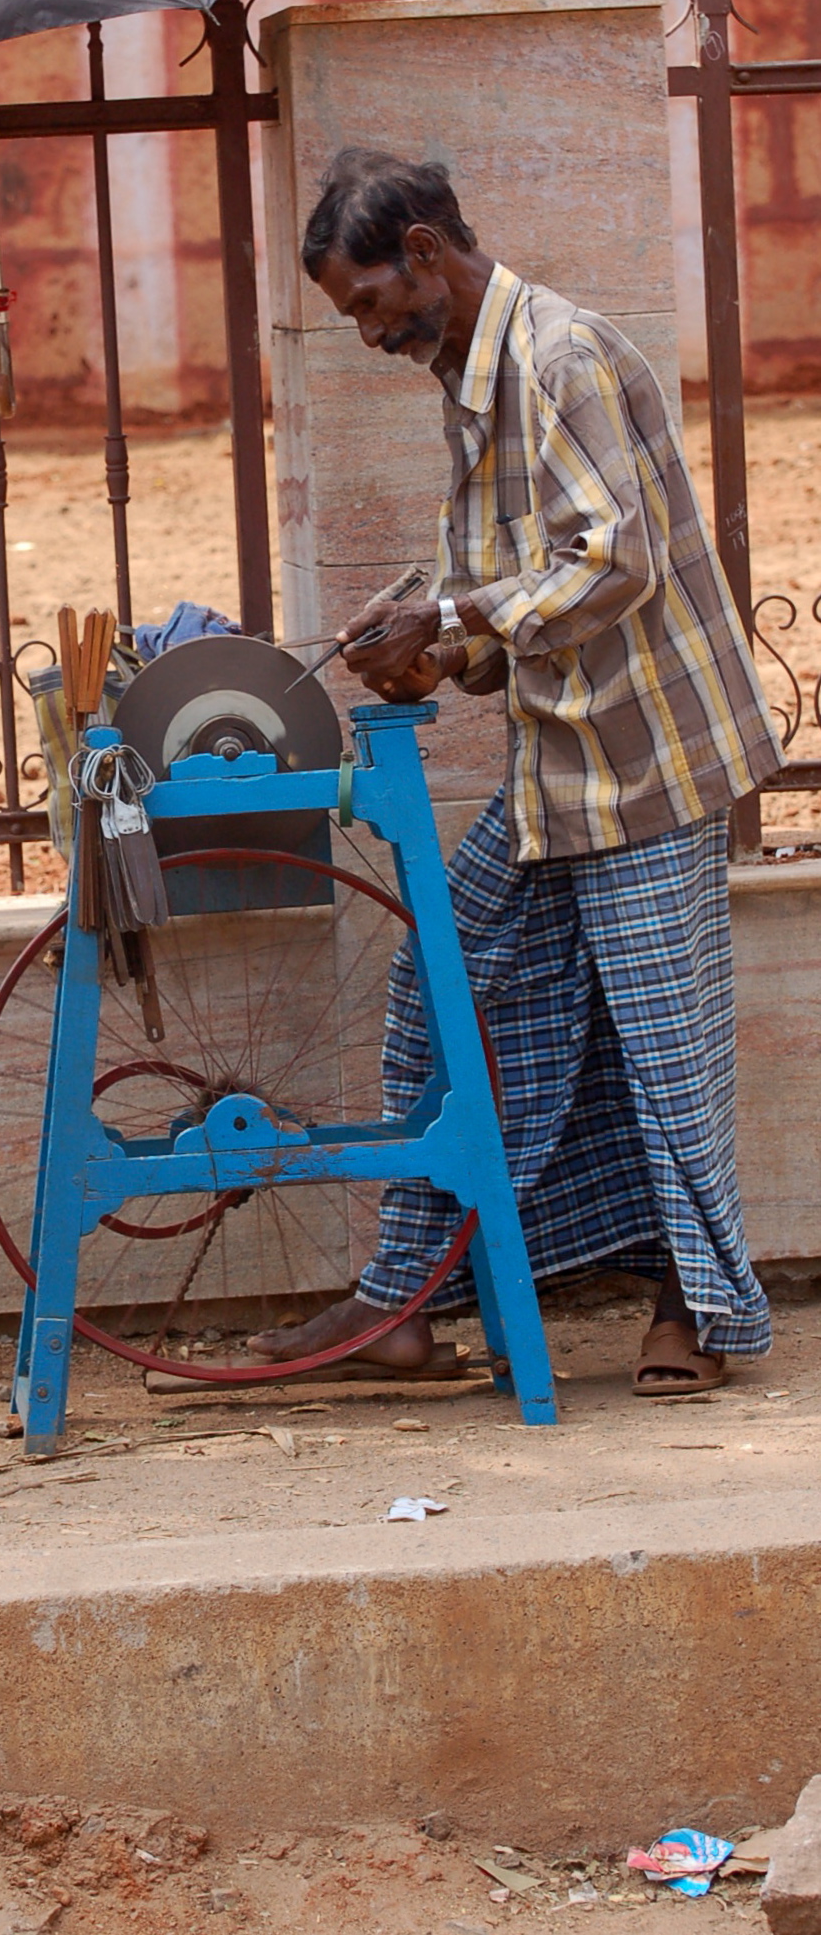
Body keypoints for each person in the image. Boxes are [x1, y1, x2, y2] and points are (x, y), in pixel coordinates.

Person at [249, 150, 784, 1395]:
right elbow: (517, 603)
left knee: (666, 1042)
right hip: (564, 767)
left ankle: (693, 1316)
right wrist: (439, 649)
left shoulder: (558, 357)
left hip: (648, 760)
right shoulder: (469, 380)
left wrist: (451, 617)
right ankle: (405, 1301)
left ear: (425, 252)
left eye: (372, 303)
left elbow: (614, 560)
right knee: (444, 991)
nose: (370, 332)